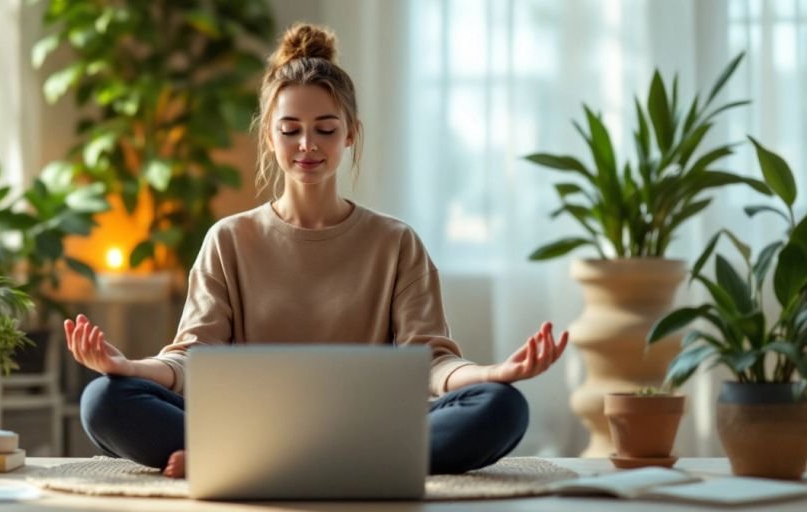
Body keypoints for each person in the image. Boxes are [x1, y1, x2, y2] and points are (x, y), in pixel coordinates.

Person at [64, 23, 568, 479]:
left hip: (369, 428)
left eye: (325, 129)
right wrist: (128, 366)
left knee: (501, 406)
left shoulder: (396, 242)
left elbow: (430, 364)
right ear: (269, 135)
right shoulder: (229, 239)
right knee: (106, 399)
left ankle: (254, 462)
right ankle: (330, 461)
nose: (308, 144)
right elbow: (194, 360)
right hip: (258, 426)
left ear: (350, 133)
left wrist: (494, 372)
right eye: (290, 130)